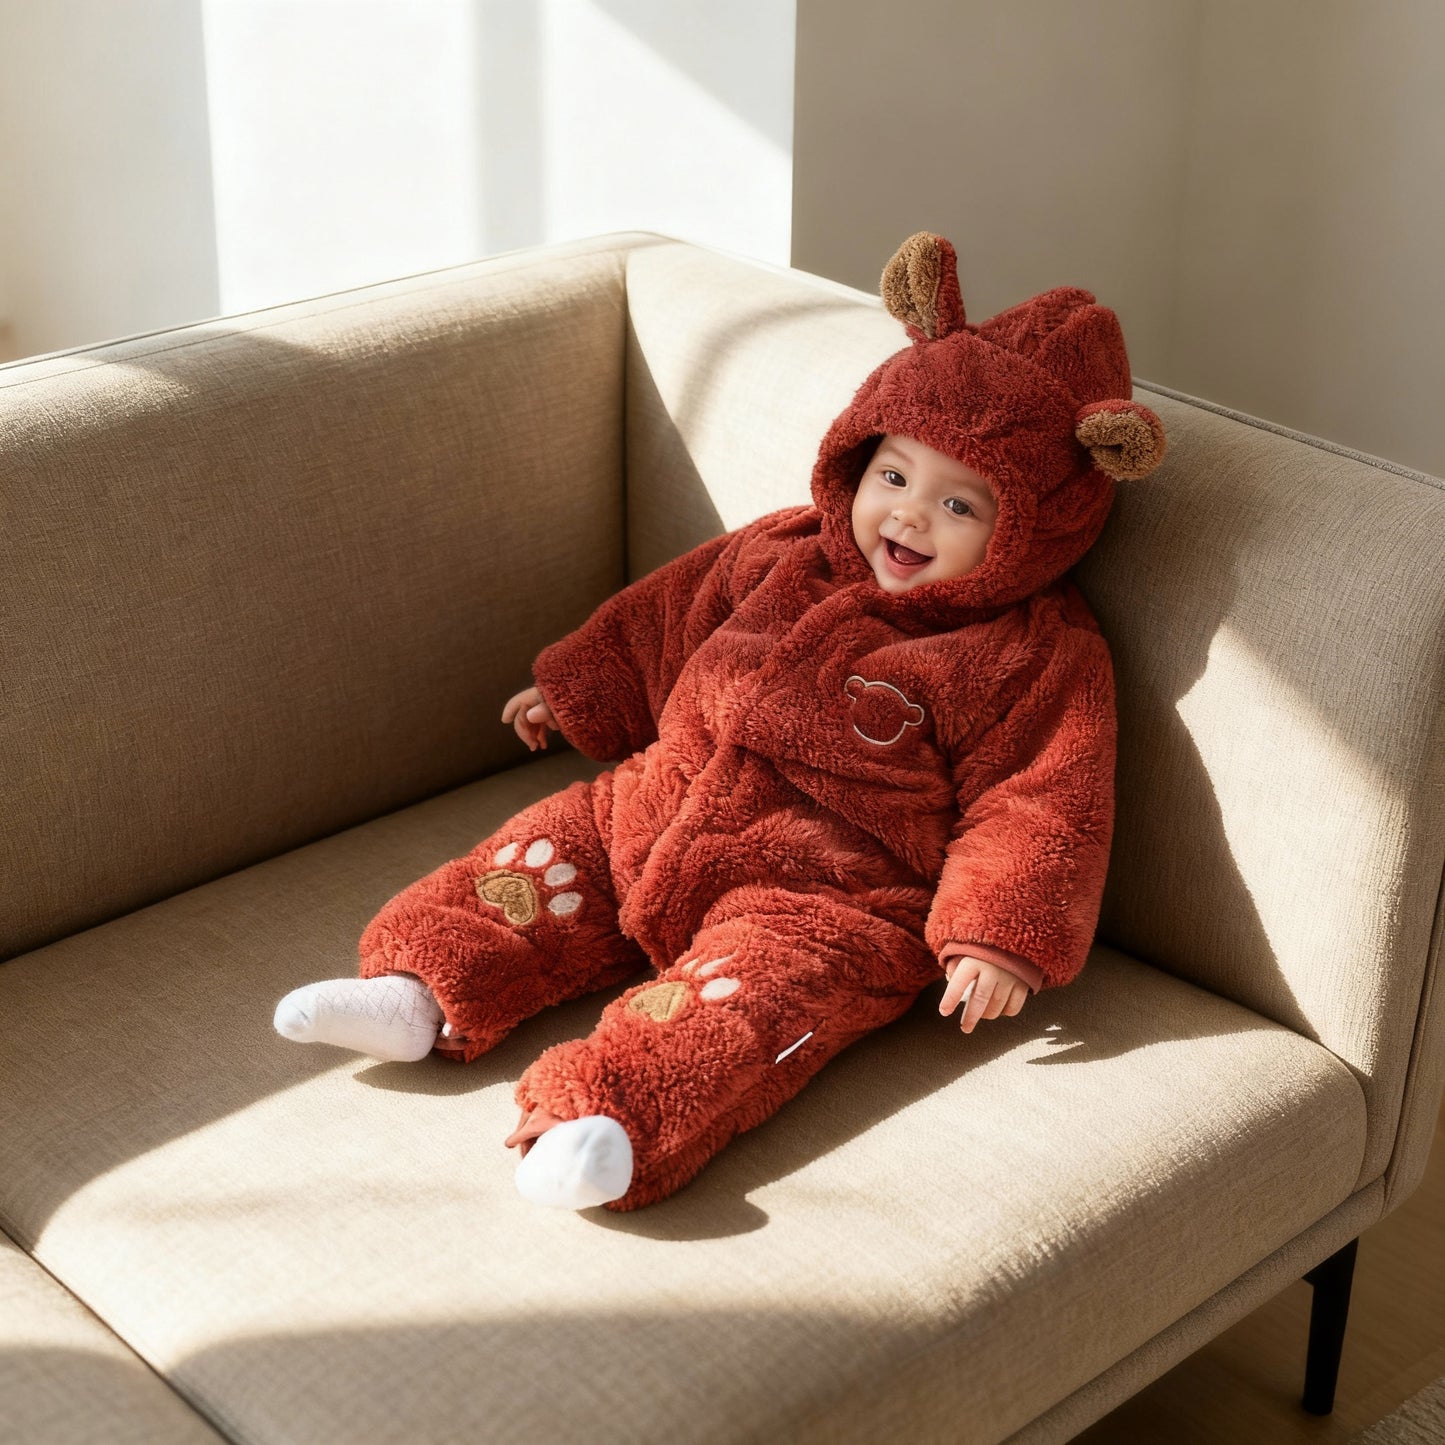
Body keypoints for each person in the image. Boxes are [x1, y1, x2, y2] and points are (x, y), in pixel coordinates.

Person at [273, 232, 1167, 1212]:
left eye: (958, 503)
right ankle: (421, 986)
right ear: (855, 458)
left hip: (828, 898)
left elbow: (1041, 798)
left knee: (741, 1006)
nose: (908, 516)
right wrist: (581, 687)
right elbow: (665, 614)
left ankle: (611, 1114)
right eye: (893, 476)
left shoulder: (1033, 650)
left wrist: (996, 933)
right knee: (537, 855)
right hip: (655, 805)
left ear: (1031, 530)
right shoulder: (779, 550)